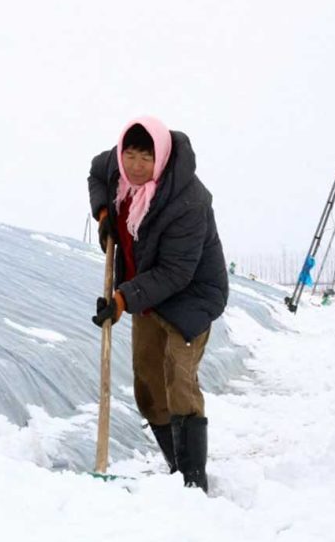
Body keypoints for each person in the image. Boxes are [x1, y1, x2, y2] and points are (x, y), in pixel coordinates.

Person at [87, 116, 228, 493]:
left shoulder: (189, 202)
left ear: (161, 157)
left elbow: (175, 273)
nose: (134, 166)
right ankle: (175, 469)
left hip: (189, 296)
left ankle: (193, 484)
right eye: (128, 155)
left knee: (178, 381)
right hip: (146, 292)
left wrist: (121, 299)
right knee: (148, 384)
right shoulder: (115, 168)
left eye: (144, 158)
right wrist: (104, 214)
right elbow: (97, 172)